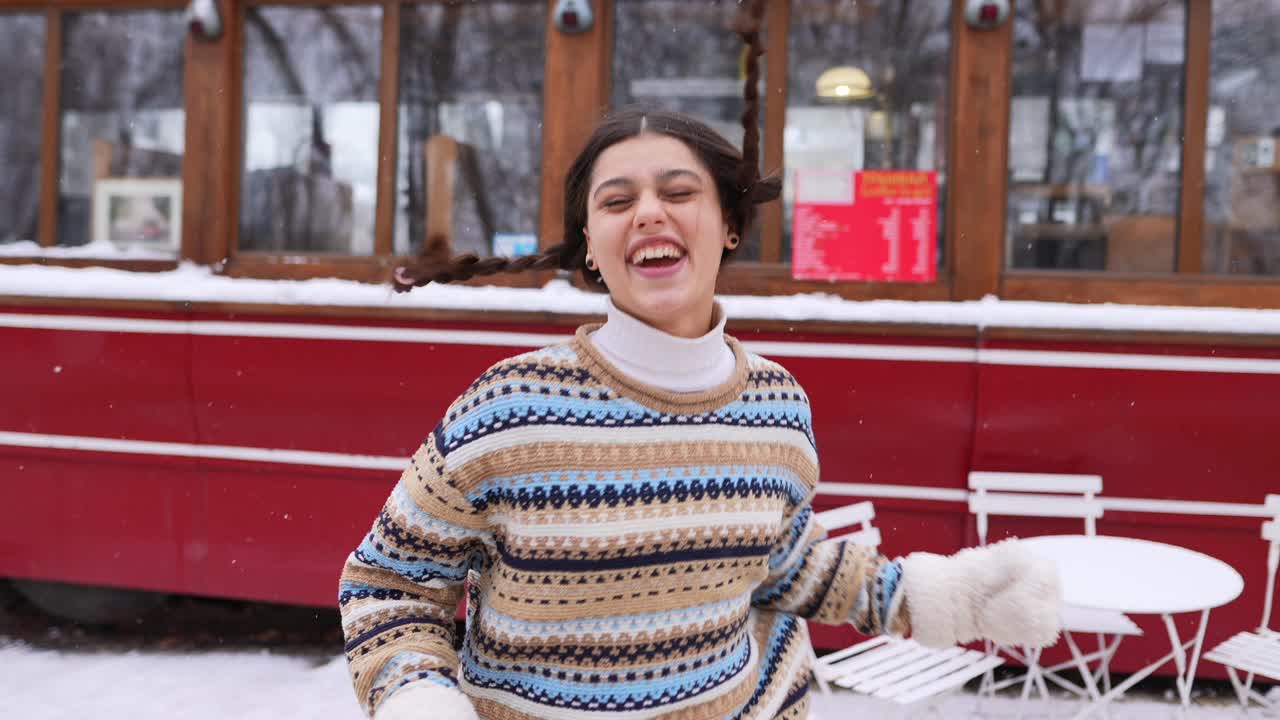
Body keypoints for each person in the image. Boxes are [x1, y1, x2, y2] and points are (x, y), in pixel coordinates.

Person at [339, 8, 1060, 720]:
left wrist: (946, 597)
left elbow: (780, 562)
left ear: (729, 226)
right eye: (617, 201)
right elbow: (390, 583)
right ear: (592, 247)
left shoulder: (776, 404)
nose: (649, 212)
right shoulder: (507, 408)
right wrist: (418, 697)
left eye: (679, 192)